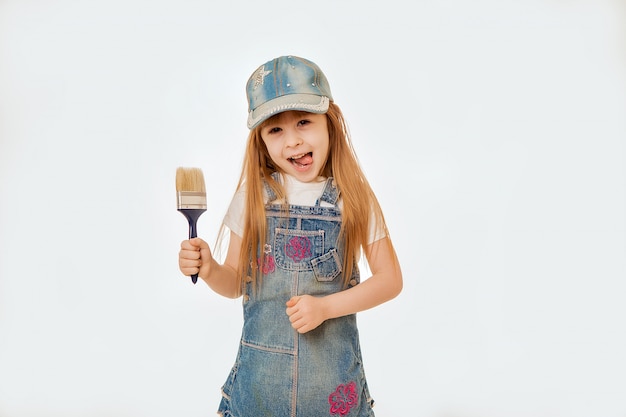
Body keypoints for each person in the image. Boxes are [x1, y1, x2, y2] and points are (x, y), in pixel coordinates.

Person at [178, 55, 403, 417]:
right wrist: (207, 268)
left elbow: (390, 280)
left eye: (303, 122)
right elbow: (235, 282)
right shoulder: (253, 196)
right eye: (275, 130)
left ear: (330, 121)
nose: (293, 141)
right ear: (261, 140)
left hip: (331, 394)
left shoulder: (353, 196)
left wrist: (326, 307)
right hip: (260, 392)